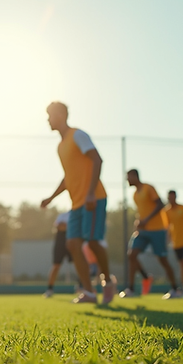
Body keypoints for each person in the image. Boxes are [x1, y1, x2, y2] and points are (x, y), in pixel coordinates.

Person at [40, 101, 115, 304]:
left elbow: (97, 160)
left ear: (61, 115)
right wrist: (51, 197)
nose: (47, 119)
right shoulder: (61, 146)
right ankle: (89, 292)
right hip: (76, 204)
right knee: (73, 244)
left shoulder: (78, 135)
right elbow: (68, 177)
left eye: (50, 115)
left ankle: (107, 281)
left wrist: (90, 193)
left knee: (92, 241)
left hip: (94, 198)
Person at [123, 169, 181, 299]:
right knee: (132, 255)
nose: (127, 180)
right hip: (143, 231)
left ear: (135, 176)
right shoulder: (135, 195)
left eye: (128, 177)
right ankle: (133, 288)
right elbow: (143, 211)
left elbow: (160, 204)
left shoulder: (148, 188)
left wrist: (147, 220)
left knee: (163, 260)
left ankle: (176, 289)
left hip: (157, 230)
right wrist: (139, 221)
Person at [44, 211, 72, 298]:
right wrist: (70, 226)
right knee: (56, 265)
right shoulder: (63, 215)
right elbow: (60, 227)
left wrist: (67, 226)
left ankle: (83, 287)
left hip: (73, 240)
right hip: (60, 242)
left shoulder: (80, 214)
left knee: (80, 264)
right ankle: (50, 289)